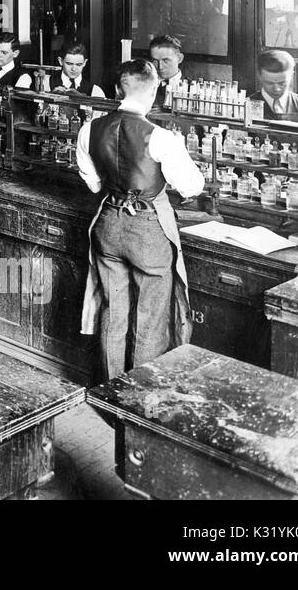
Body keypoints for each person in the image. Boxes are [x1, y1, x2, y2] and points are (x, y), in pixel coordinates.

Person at [76, 60, 205, 381]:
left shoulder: (90, 128)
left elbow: (93, 183)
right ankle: (139, 394)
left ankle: (110, 389)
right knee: (150, 316)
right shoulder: (161, 137)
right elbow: (192, 187)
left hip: (107, 223)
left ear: (118, 90)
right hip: (147, 229)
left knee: (113, 309)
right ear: (155, 89)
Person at [247, 49, 298, 126]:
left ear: (292, 75)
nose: (276, 89)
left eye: (282, 83)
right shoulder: (243, 109)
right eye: (269, 83)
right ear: (259, 76)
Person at [148, 33, 189, 109]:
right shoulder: (145, 86)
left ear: (179, 58)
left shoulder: (191, 89)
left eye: (165, 60)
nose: (160, 67)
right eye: (155, 61)